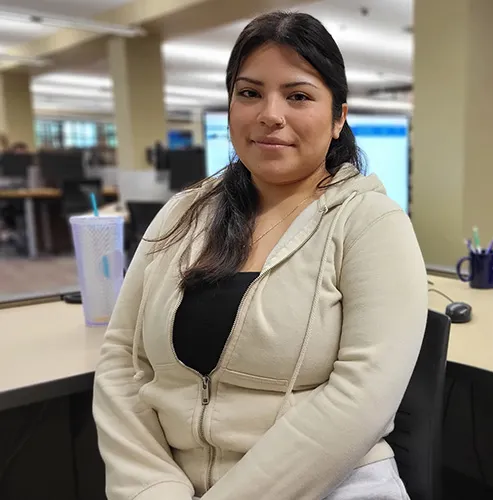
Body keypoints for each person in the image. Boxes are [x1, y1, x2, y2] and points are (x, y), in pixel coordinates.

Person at [92, 11, 427, 500]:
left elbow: (361, 401)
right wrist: (152, 488)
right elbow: (122, 360)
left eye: (298, 95)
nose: (271, 114)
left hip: (332, 484)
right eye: (249, 93)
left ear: (338, 118)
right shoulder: (182, 215)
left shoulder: (371, 224)